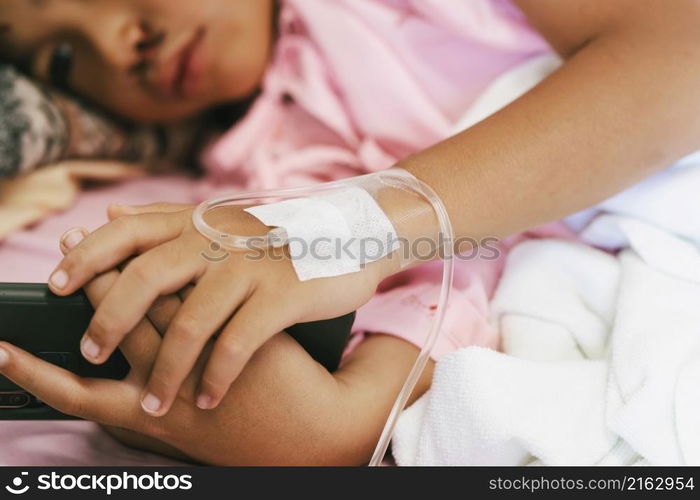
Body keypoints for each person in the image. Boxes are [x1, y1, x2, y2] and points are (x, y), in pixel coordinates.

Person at [1, 0, 699, 464]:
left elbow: (682, 56)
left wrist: (352, 227)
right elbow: (449, 279)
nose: (118, 43)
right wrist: (334, 425)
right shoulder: (254, 172)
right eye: (61, 61)